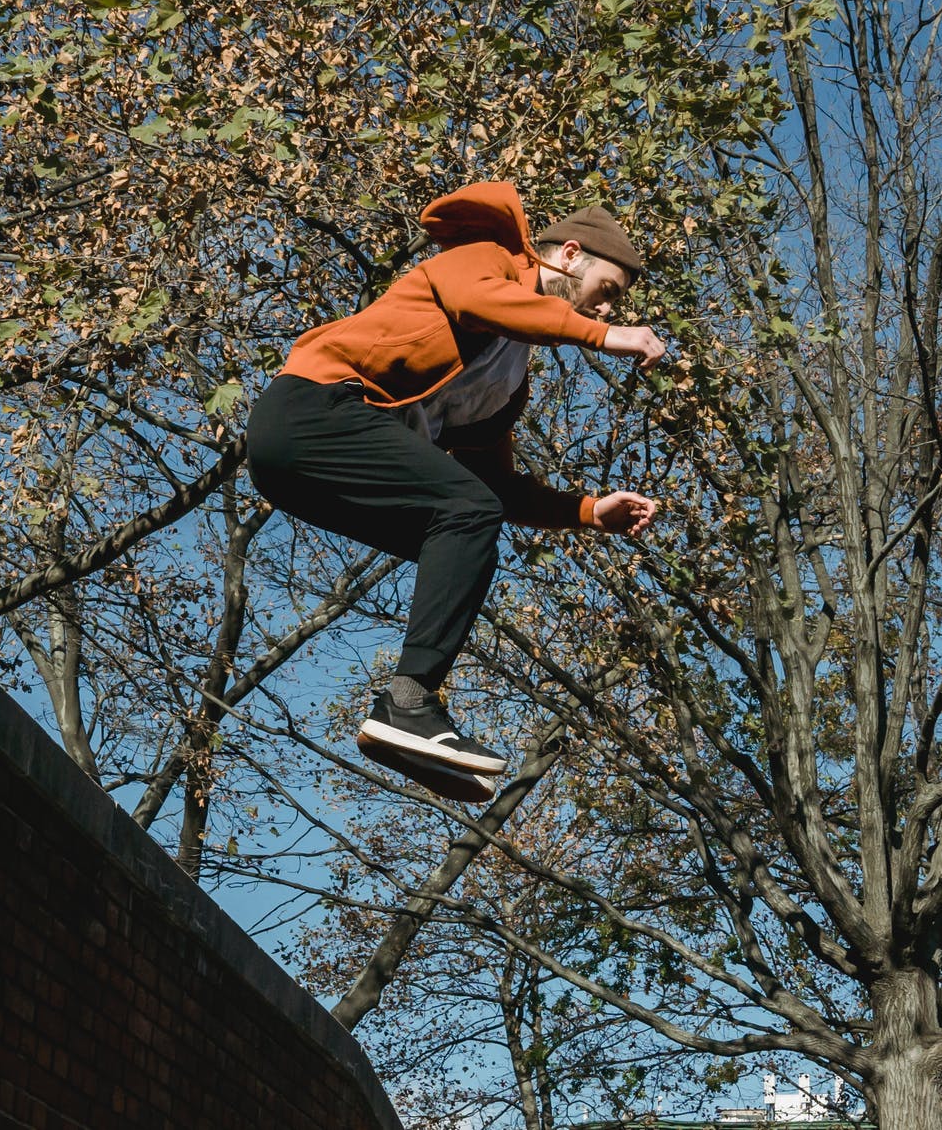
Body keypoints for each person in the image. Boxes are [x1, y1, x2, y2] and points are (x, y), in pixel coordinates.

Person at [244, 180, 665, 796]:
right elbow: (476, 301)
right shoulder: (489, 258)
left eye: (613, 309)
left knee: (467, 533)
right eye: (607, 292)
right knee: (467, 512)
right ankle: (411, 704)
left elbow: (491, 487)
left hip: (312, 472)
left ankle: (402, 712)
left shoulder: (508, 378)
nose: (606, 311)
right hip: (310, 414)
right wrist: (606, 338)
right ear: (570, 255)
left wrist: (586, 510)